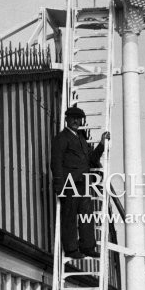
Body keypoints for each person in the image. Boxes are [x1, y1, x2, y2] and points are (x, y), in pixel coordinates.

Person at [51, 106, 110, 259]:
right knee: (70, 216)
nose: (76, 121)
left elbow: (92, 160)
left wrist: (102, 144)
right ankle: (71, 249)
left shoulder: (81, 139)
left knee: (86, 215)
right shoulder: (61, 138)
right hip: (69, 183)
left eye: (79, 118)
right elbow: (56, 162)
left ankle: (88, 247)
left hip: (84, 183)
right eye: (73, 118)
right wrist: (59, 185)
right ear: (67, 119)